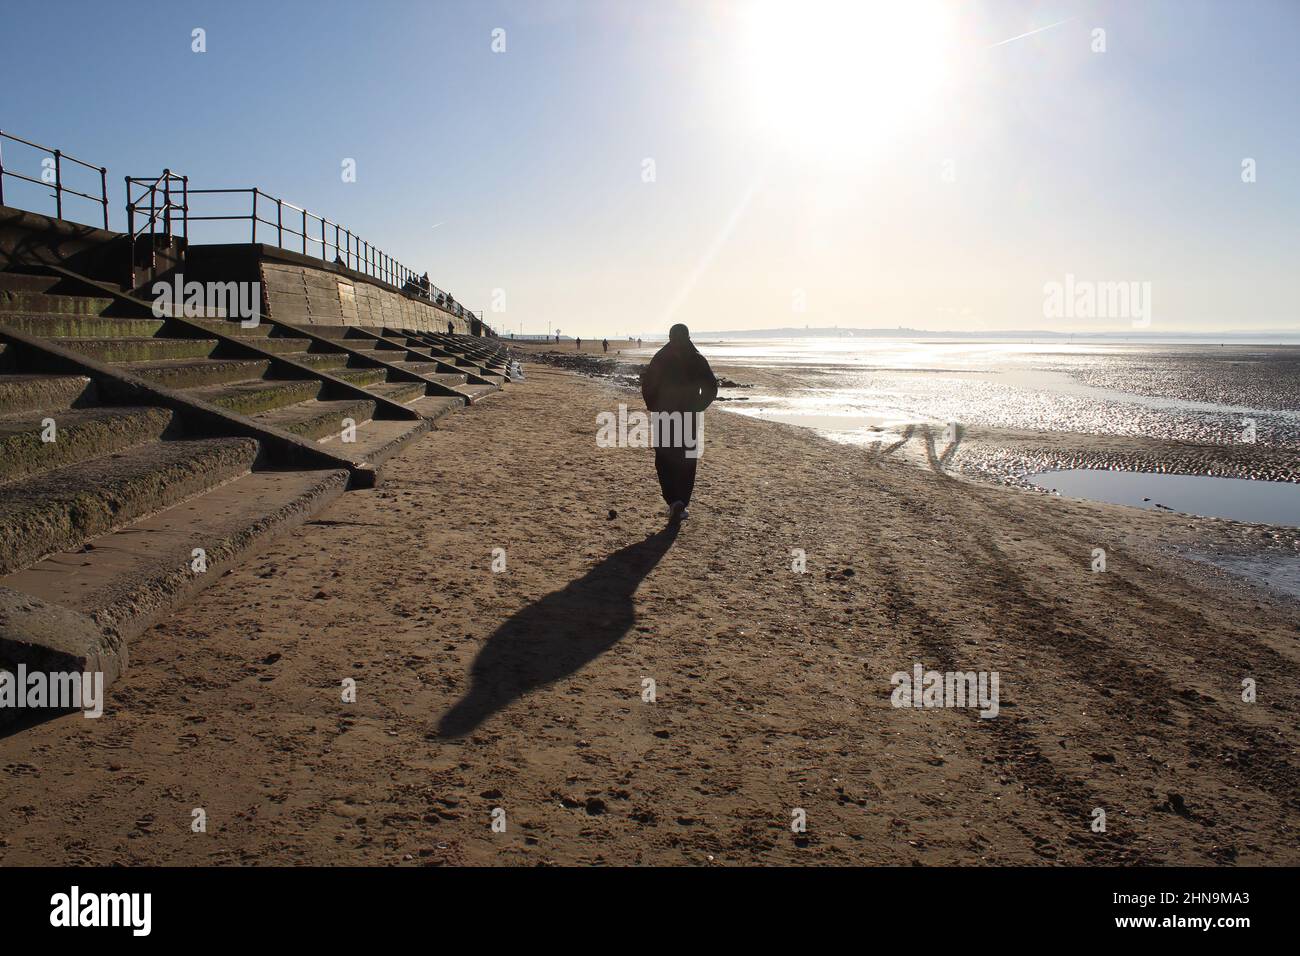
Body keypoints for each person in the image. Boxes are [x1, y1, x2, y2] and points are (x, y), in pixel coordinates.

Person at [640, 323, 717, 522]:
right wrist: (698, 406)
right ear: (688, 336)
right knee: (686, 458)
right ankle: (680, 501)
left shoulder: (661, 357)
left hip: (665, 414)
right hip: (687, 415)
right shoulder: (696, 358)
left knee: (665, 457)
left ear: (670, 336)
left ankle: (674, 500)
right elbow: (711, 387)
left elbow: (648, 383)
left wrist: (653, 405)